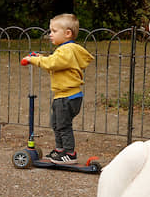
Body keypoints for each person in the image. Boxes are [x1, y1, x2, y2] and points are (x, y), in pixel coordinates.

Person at [21, 13, 95, 164]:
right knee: (56, 124)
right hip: (63, 96)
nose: (50, 35)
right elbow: (54, 66)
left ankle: (69, 153)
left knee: (63, 125)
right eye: (50, 31)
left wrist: (33, 59)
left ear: (68, 33)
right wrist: (40, 57)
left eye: (54, 31)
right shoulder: (64, 51)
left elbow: (52, 63)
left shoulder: (67, 50)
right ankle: (60, 150)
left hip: (67, 97)